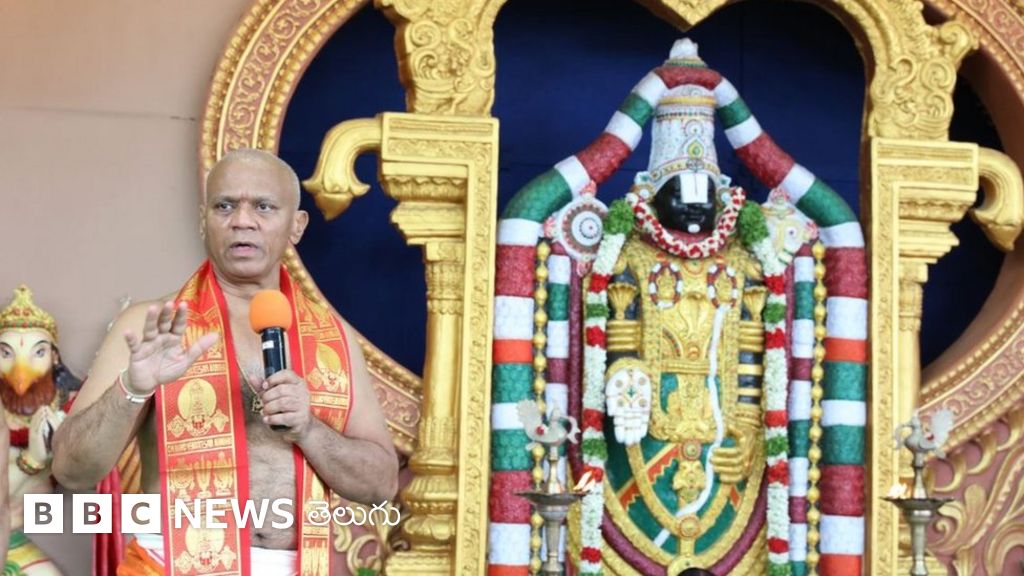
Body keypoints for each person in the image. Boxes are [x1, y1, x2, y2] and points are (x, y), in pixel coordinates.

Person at [51, 149, 399, 576]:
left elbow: (381, 485)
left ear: (297, 226)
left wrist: (309, 430)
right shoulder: (151, 326)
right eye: (225, 206)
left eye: (264, 207)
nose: (242, 221)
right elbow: (71, 471)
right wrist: (132, 388)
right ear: (204, 221)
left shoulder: (334, 339)